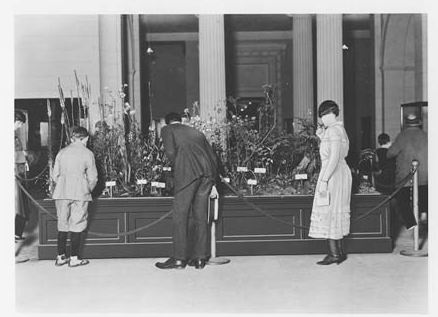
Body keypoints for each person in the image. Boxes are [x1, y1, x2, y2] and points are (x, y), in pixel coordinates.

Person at [155, 112, 218, 270]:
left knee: (180, 216)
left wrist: (177, 170)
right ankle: (199, 259)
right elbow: (212, 157)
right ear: (181, 121)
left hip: (187, 174)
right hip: (207, 175)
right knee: (200, 216)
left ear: (167, 122)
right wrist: (214, 182)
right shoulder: (196, 132)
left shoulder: (167, 130)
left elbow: (170, 153)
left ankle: (179, 259)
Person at [309, 100, 352, 265]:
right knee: (336, 210)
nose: (323, 119)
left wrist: (324, 180)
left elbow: (333, 158)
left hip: (332, 174)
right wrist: (321, 136)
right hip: (341, 172)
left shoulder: (333, 131)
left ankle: (334, 254)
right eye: (323, 116)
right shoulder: (340, 130)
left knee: (329, 209)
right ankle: (338, 253)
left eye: (325, 115)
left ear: (332, 114)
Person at [52, 126, 98, 267]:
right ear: (85, 138)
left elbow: (55, 175)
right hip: (80, 192)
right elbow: (93, 178)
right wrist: (86, 189)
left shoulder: (62, 152)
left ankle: (60, 257)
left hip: (61, 191)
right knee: (77, 225)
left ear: (72, 138)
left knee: (62, 223)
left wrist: (62, 184)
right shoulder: (87, 153)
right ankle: (74, 259)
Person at [387, 114, 428, 230]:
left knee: (401, 198)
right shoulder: (426, 135)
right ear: (419, 122)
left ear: (406, 123)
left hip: (406, 176)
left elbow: (390, 153)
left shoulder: (402, 136)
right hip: (425, 176)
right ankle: (424, 213)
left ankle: (411, 223)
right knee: (424, 194)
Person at [15, 110, 28, 243]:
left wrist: (24, 159)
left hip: (19, 173)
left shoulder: (15, 136)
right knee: (16, 206)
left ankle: (17, 233)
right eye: (19, 123)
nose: (19, 126)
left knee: (21, 206)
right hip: (14, 176)